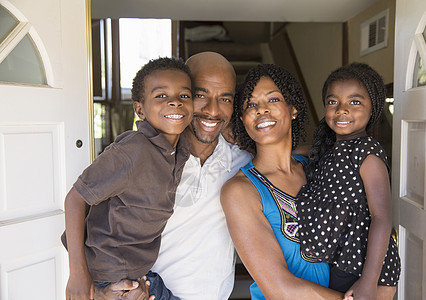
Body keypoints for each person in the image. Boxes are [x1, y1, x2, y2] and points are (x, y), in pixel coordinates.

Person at [95, 52, 252, 300]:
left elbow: (288, 159)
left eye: (224, 98)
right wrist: (98, 289)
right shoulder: (142, 159)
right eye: (200, 95)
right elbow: (92, 222)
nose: (213, 110)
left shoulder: (244, 165)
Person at [63, 57, 193, 300]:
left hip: (140, 274)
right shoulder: (133, 150)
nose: (175, 102)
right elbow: (75, 198)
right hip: (112, 276)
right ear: (140, 109)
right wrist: (77, 273)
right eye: (161, 96)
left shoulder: (179, 149)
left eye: (184, 96)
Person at [221, 64, 344, 299]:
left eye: (273, 99)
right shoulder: (241, 190)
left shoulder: (315, 166)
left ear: (293, 109)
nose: (261, 110)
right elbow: (278, 288)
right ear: (243, 120)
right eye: (251, 104)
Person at [296, 62, 401, 300]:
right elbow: (294, 152)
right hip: (343, 261)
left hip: (365, 267)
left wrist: (368, 280)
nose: (342, 110)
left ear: (372, 107)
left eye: (355, 102)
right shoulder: (329, 149)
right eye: (333, 102)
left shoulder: (367, 153)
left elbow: (381, 217)